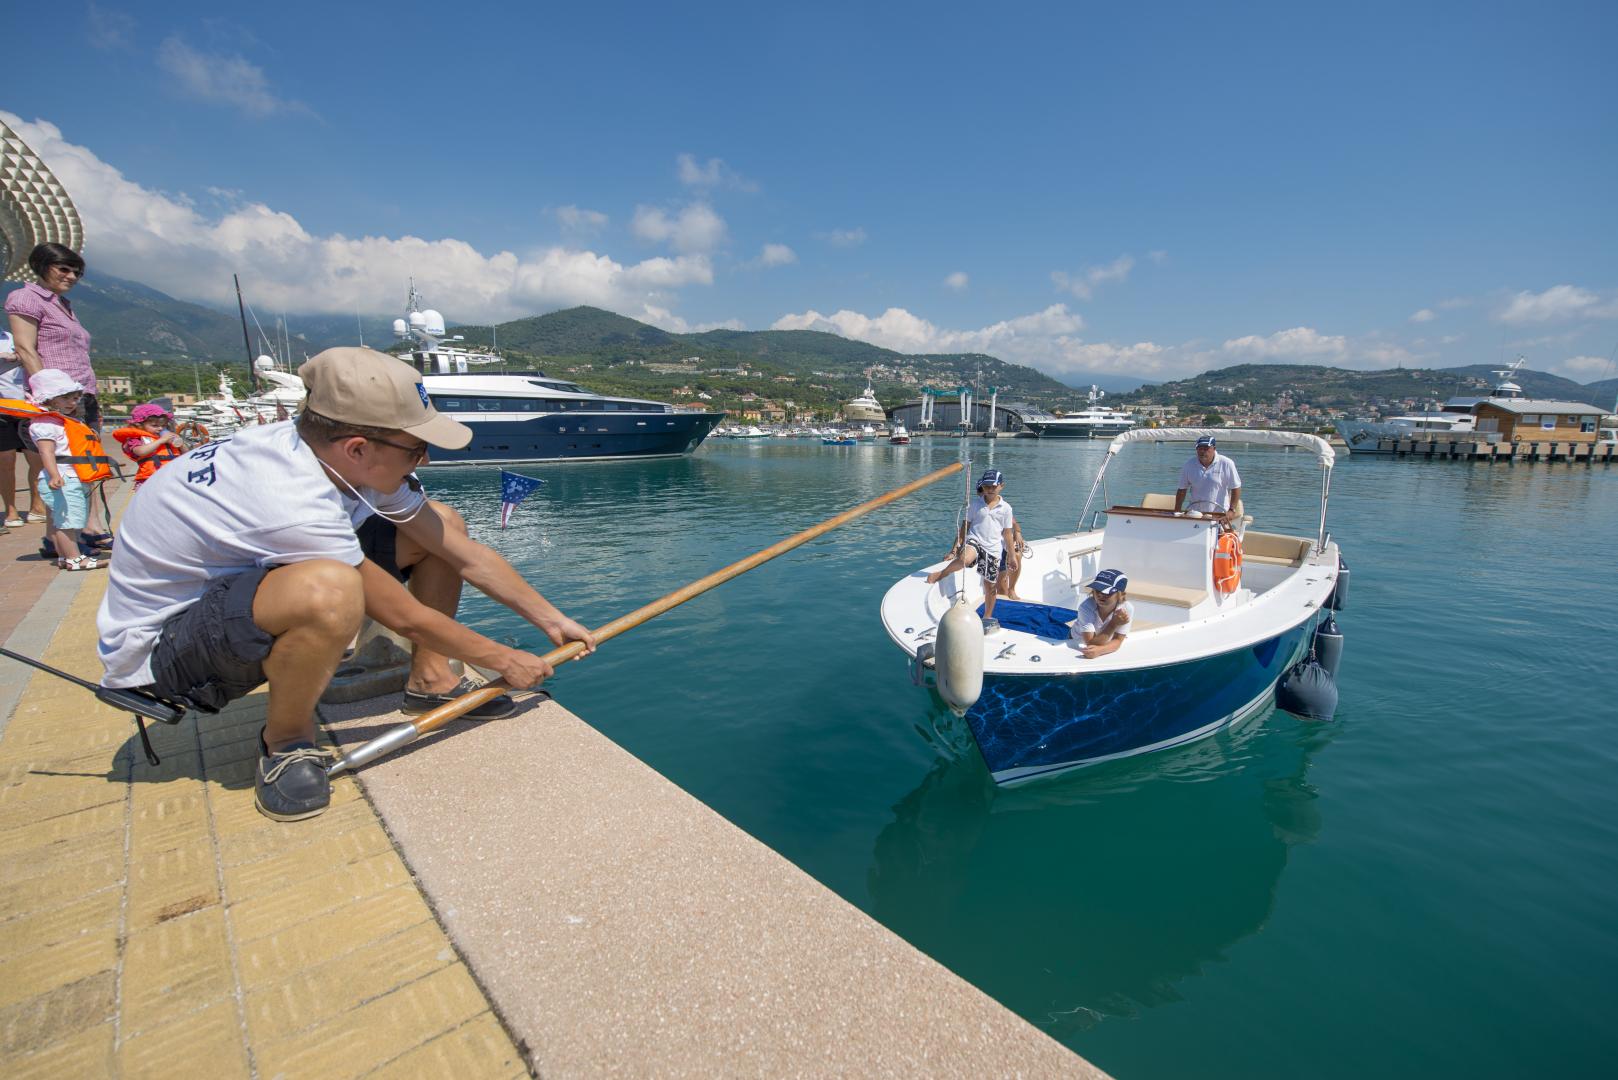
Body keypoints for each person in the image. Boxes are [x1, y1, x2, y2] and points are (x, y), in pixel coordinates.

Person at [97, 347, 595, 823]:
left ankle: (431, 682)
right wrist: (504, 659)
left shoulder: (323, 454)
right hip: (166, 653)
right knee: (330, 590)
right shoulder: (288, 496)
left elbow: (462, 554)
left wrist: (553, 621)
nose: (424, 460)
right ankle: (285, 744)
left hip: (234, 599)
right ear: (357, 447)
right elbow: (403, 616)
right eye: (416, 448)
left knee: (443, 525)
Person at [5, 243, 113, 549]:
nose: (71, 276)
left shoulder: (62, 304)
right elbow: (25, 348)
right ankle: (79, 530)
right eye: (63, 269)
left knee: (86, 461)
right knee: (68, 462)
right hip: (58, 399)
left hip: (80, 394)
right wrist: (49, 396)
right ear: (42, 266)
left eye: (76, 272)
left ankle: (64, 534)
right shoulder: (25, 298)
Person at [20, 369, 109, 570]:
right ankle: (75, 559)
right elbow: (46, 452)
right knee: (67, 522)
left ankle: (64, 556)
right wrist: (54, 475)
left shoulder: (62, 422)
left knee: (65, 520)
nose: (72, 403)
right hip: (63, 477)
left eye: (75, 398)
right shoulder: (45, 424)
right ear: (48, 399)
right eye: (65, 398)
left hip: (71, 476)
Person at [926, 468, 1018, 624]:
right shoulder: (975, 505)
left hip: (993, 549)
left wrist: (1012, 556)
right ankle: (943, 573)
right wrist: (957, 547)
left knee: (990, 585)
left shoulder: (1006, 509)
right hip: (975, 540)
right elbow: (965, 526)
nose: (989, 489)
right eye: (986, 486)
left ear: (1001, 486)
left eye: (993, 486)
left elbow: (1007, 534)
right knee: (965, 559)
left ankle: (987, 616)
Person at [1, 328, 50, 530]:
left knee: (37, 458)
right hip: (2, 408)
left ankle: (37, 507)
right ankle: (10, 510)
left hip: (27, 406)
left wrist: (17, 357)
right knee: (6, 461)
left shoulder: (12, 337)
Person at [112, 403, 188, 487]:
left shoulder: (168, 438)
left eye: (163, 425)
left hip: (173, 478)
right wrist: (161, 441)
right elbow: (140, 451)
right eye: (155, 425)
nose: (160, 428)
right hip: (149, 480)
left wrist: (181, 444)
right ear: (140, 425)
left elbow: (187, 454)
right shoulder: (137, 439)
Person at [1174, 435, 1243, 525]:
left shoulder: (1227, 463)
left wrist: (1231, 510)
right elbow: (1182, 489)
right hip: (1194, 514)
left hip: (1220, 515)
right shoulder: (1189, 464)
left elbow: (1236, 487)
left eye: (1206, 448)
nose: (1202, 451)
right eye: (1199, 448)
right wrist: (1177, 511)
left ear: (1214, 448)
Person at [1071, 569, 1133, 659]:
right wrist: (1113, 623)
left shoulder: (1127, 609)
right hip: (1075, 640)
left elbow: (1118, 640)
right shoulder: (1086, 607)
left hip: (1103, 641)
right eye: (1097, 590)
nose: (1100, 595)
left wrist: (1100, 650)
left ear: (1121, 594)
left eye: (1107, 592)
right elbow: (1090, 644)